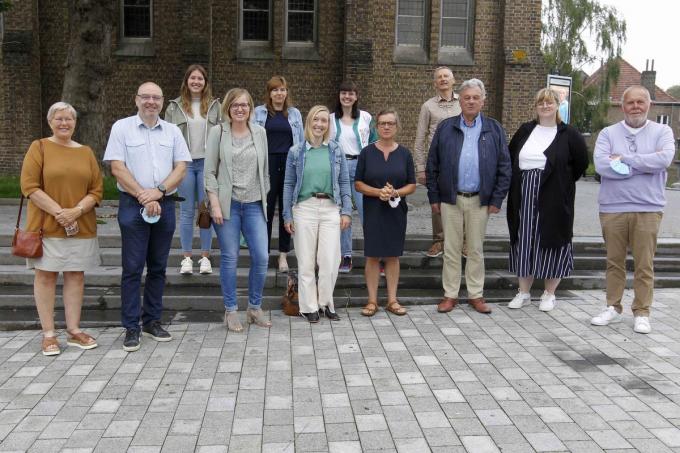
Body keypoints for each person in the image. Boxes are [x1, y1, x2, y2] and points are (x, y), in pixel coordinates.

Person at [104, 82, 191, 352]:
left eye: (156, 97)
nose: (151, 102)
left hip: (163, 204)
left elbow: (181, 167)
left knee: (158, 267)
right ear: (136, 99)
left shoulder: (173, 131)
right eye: (146, 97)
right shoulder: (122, 128)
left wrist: (159, 192)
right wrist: (144, 195)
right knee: (132, 268)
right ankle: (131, 327)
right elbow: (117, 167)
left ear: (163, 102)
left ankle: (152, 320)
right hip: (133, 204)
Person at [20, 102, 103, 356]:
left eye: (69, 119)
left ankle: (74, 330)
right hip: (47, 226)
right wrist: (60, 213)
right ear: (50, 122)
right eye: (59, 119)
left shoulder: (86, 152)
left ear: (75, 123)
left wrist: (76, 212)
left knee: (75, 275)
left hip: (81, 225)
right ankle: (48, 334)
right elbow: (30, 186)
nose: (64, 123)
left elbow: (97, 190)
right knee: (45, 276)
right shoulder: (39, 147)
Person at [590, 85, 675, 334]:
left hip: (648, 208)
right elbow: (602, 166)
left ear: (649, 105)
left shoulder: (663, 131)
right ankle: (613, 308)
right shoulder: (607, 133)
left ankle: (642, 312)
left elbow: (664, 160)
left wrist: (625, 159)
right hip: (612, 207)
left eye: (641, 102)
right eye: (630, 102)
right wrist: (645, 164)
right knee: (614, 262)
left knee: (644, 263)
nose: (635, 107)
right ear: (622, 105)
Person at [426, 78, 511, 315]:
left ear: (483, 101)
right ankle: (450, 295)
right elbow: (432, 164)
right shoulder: (446, 127)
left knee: (475, 249)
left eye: (475, 97)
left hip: (479, 200)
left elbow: (505, 166)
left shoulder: (494, 128)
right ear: (460, 101)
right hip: (451, 199)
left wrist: (497, 199)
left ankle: (476, 295)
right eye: (466, 97)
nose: (471, 101)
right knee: (451, 249)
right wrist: (434, 196)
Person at [506, 88, 588, 311]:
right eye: (540, 102)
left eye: (549, 102)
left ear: (557, 105)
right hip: (523, 193)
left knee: (553, 239)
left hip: (554, 195)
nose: (544, 106)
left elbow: (580, 163)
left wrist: (560, 183)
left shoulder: (569, 134)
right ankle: (523, 292)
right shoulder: (525, 130)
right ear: (536, 106)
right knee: (524, 240)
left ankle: (549, 294)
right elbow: (510, 156)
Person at [204, 88, 272, 332]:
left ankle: (254, 307)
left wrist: (264, 194)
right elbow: (209, 171)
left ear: (251, 108)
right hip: (227, 205)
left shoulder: (260, 132)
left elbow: (264, 170)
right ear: (228, 109)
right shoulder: (218, 132)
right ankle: (231, 310)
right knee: (230, 257)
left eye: (244, 105)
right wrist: (214, 204)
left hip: (254, 204)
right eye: (235, 105)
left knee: (262, 256)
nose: (240, 109)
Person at [283, 105, 352, 322]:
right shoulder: (296, 151)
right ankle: (308, 306)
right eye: (316, 120)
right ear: (309, 122)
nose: (319, 124)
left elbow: (344, 181)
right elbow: (288, 183)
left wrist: (347, 211)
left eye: (324, 120)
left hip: (331, 207)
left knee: (330, 260)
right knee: (305, 261)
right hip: (304, 208)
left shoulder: (335, 149)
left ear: (328, 125)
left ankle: (326, 303)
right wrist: (287, 214)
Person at [355, 109, 416, 316]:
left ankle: (392, 300)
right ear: (376, 127)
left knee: (392, 255)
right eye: (382, 123)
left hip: (396, 210)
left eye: (390, 123)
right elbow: (358, 184)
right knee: (372, 254)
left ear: (397, 126)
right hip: (373, 210)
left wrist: (395, 192)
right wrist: (378, 192)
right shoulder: (366, 152)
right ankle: (372, 301)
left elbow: (412, 185)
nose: (386, 127)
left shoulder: (405, 154)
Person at [165, 64, 221, 275]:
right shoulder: (174, 107)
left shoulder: (215, 106)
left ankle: (205, 258)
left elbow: (222, 135)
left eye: (200, 78)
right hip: (185, 164)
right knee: (187, 212)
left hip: (207, 164)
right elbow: (167, 137)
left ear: (205, 82)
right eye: (192, 78)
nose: (196, 82)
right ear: (186, 81)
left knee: (205, 210)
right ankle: (187, 258)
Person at [253, 76, 304, 272]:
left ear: (286, 92)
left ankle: (283, 255)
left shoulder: (294, 114)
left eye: (282, 90)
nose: (279, 93)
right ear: (269, 93)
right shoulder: (259, 112)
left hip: (289, 163)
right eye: (275, 90)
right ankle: (263, 253)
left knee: (286, 211)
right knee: (265, 211)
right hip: (266, 165)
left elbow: (300, 142)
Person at [329, 81, 377, 273]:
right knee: (344, 214)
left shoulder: (365, 117)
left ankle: (374, 255)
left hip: (361, 168)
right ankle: (346, 256)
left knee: (368, 213)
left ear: (356, 97)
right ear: (339, 96)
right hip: (340, 168)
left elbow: (374, 141)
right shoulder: (331, 119)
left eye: (351, 94)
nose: (347, 97)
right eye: (344, 93)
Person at [414, 66, 461, 258]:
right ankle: (439, 240)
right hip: (438, 162)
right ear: (435, 83)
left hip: (462, 161)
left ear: (453, 80)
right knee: (437, 202)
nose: (443, 79)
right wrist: (420, 168)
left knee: (465, 199)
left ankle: (463, 240)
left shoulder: (463, 103)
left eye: (446, 76)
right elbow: (419, 138)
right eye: (439, 77)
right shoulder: (428, 106)